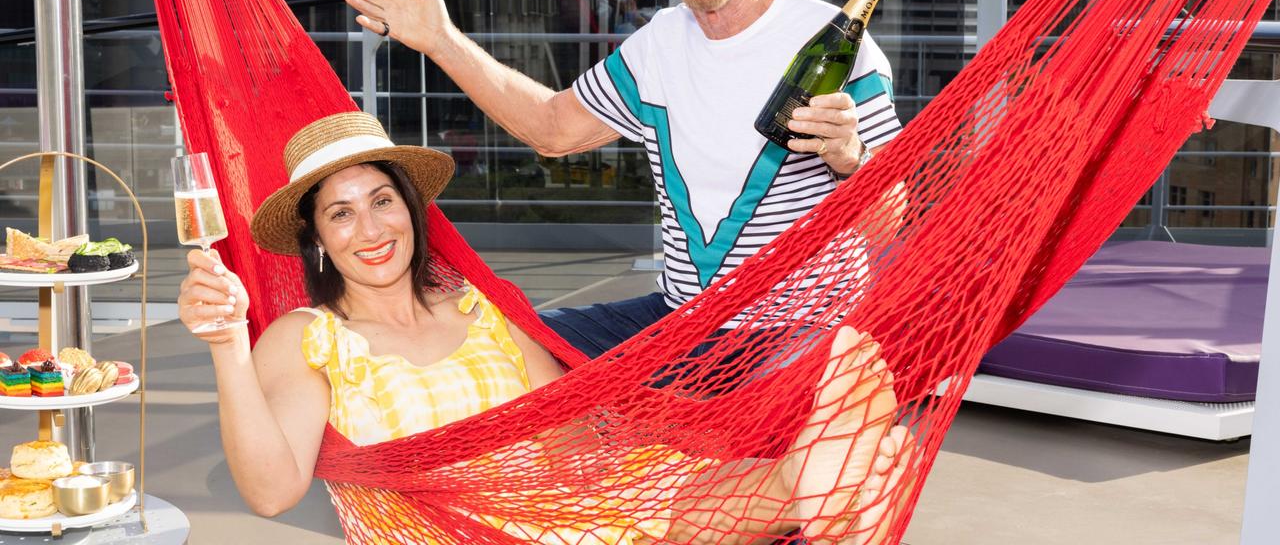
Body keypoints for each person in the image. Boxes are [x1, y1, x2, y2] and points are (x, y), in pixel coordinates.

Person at [177, 111, 913, 543]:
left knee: (663, 489)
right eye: (340, 213)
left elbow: (564, 426)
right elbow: (272, 492)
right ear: (314, 238)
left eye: (382, 201)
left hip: (551, 497)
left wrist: (628, 440)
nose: (369, 228)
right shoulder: (307, 339)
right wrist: (226, 351)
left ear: (411, 210)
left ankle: (815, 483)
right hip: (451, 526)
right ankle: (829, 488)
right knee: (626, 518)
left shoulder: (474, 307)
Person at [342, 0, 904, 359]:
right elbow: (553, 128)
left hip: (796, 332)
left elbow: (894, 223)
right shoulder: (658, 43)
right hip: (680, 322)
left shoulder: (837, 43)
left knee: (731, 441)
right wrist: (442, 39)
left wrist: (851, 156)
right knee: (513, 345)